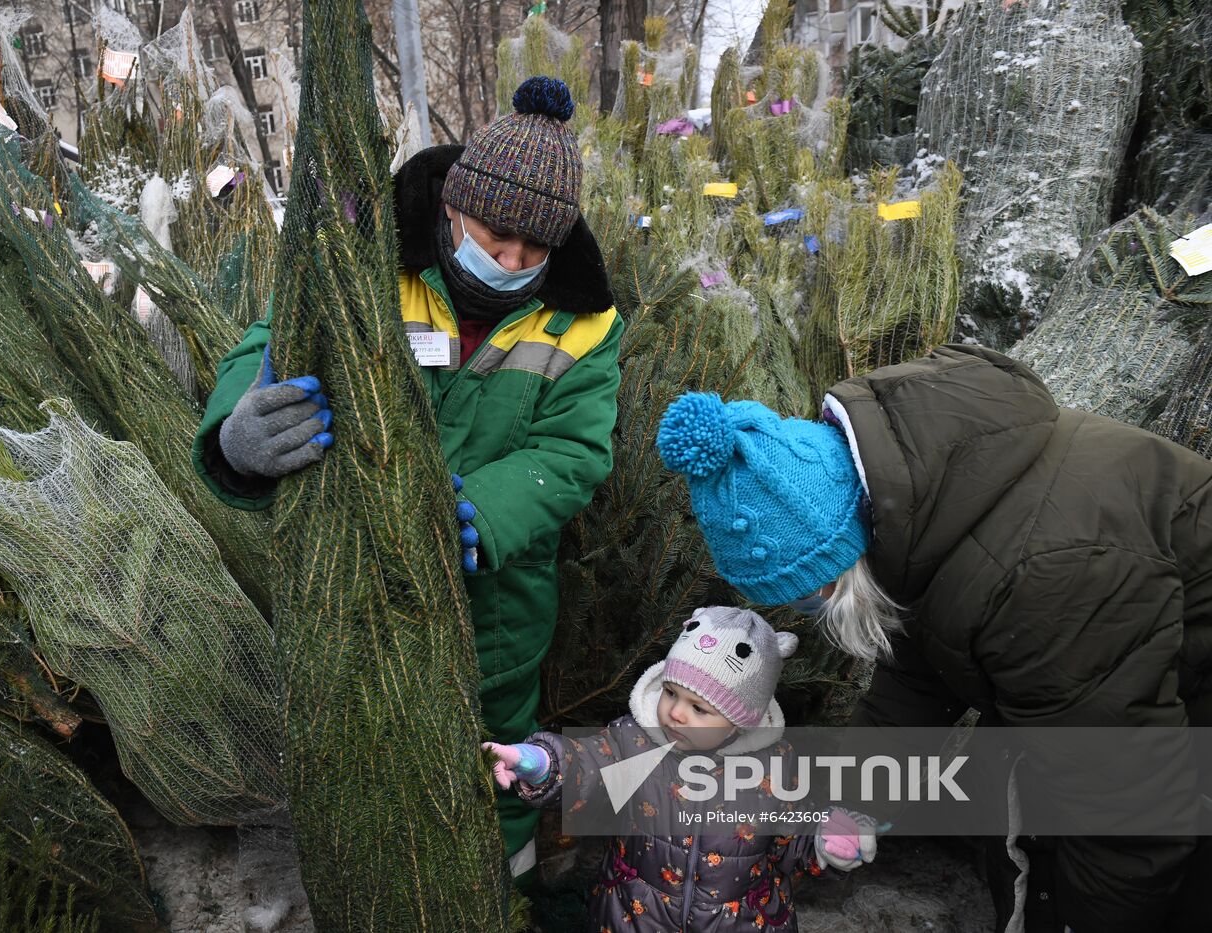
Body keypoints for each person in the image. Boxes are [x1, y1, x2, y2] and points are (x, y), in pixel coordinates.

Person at [191, 76, 622, 882]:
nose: (512, 260)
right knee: (361, 728)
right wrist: (237, 430)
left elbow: (571, 453)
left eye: (536, 248)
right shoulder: (368, 262)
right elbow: (267, 344)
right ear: (455, 207)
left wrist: (480, 514)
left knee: (489, 738)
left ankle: (503, 872)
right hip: (354, 576)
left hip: (495, 598)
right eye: (496, 235)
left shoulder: (585, 322)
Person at [655, 344, 1212, 932]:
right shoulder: (919, 506)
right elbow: (913, 677)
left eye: (806, 593)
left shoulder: (1036, 581)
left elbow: (1126, 801)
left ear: (839, 562)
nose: (805, 613)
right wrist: (856, 803)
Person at [483, 606, 877, 931]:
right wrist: (542, 763)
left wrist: (823, 839)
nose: (675, 712)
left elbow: (792, 833)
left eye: (699, 708)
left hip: (741, 922)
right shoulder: (634, 740)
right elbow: (587, 767)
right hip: (635, 916)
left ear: (741, 721)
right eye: (671, 692)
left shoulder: (774, 767)